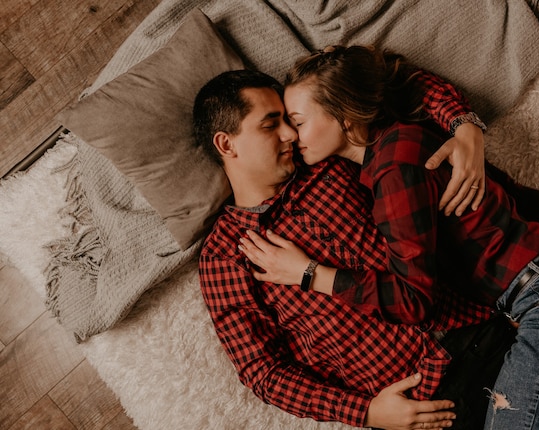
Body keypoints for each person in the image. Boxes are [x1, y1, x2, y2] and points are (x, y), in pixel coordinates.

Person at [237, 45, 539, 429]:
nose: (290, 134)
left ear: (343, 114)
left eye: (298, 121)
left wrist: (309, 273)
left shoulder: (395, 167)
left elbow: (415, 300)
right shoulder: (389, 151)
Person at [194, 68, 512, 430]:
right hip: (417, 405)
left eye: (288, 120)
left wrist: (464, 125)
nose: (289, 134)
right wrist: (365, 412)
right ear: (226, 144)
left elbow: (400, 85)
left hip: (478, 334)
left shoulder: (327, 159)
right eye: (270, 125)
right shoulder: (223, 256)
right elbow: (263, 372)